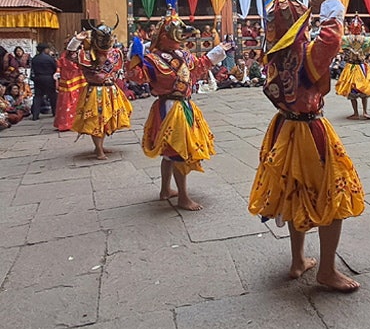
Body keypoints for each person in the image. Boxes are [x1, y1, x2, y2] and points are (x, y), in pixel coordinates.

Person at [248, 0, 364, 291]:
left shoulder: (275, 55)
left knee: (293, 192)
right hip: (310, 131)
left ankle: (297, 260)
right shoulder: (305, 54)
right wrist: (330, 11)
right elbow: (332, 40)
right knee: (332, 195)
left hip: (284, 128)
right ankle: (326, 270)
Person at [141, 11, 225, 210]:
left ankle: (165, 190)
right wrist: (135, 58)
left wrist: (217, 52)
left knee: (170, 153)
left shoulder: (183, 54)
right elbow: (138, 76)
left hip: (181, 104)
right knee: (178, 151)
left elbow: (197, 68)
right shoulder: (152, 59)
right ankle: (183, 197)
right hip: (170, 107)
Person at [71, 25, 132, 160]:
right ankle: (99, 150)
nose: (105, 41)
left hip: (111, 90)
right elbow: (70, 55)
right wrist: (76, 40)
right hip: (95, 91)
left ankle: (100, 146)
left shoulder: (115, 53)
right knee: (96, 120)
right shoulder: (87, 54)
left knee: (106, 120)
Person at [335, 18, 370, 119]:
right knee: (362, 89)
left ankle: (357, 113)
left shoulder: (346, 39)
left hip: (352, 66)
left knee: (353, 90)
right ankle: (364, 112)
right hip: (361, 66)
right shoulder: (367, 40)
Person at [30, 42, 57, 120]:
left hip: (38, 78)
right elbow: (55, 67)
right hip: (48, 78)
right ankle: (54, 112)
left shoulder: (35, 58)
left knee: (38, 96)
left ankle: (35, 115)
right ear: (46, 49)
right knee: (52, 95)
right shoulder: (49, 58)